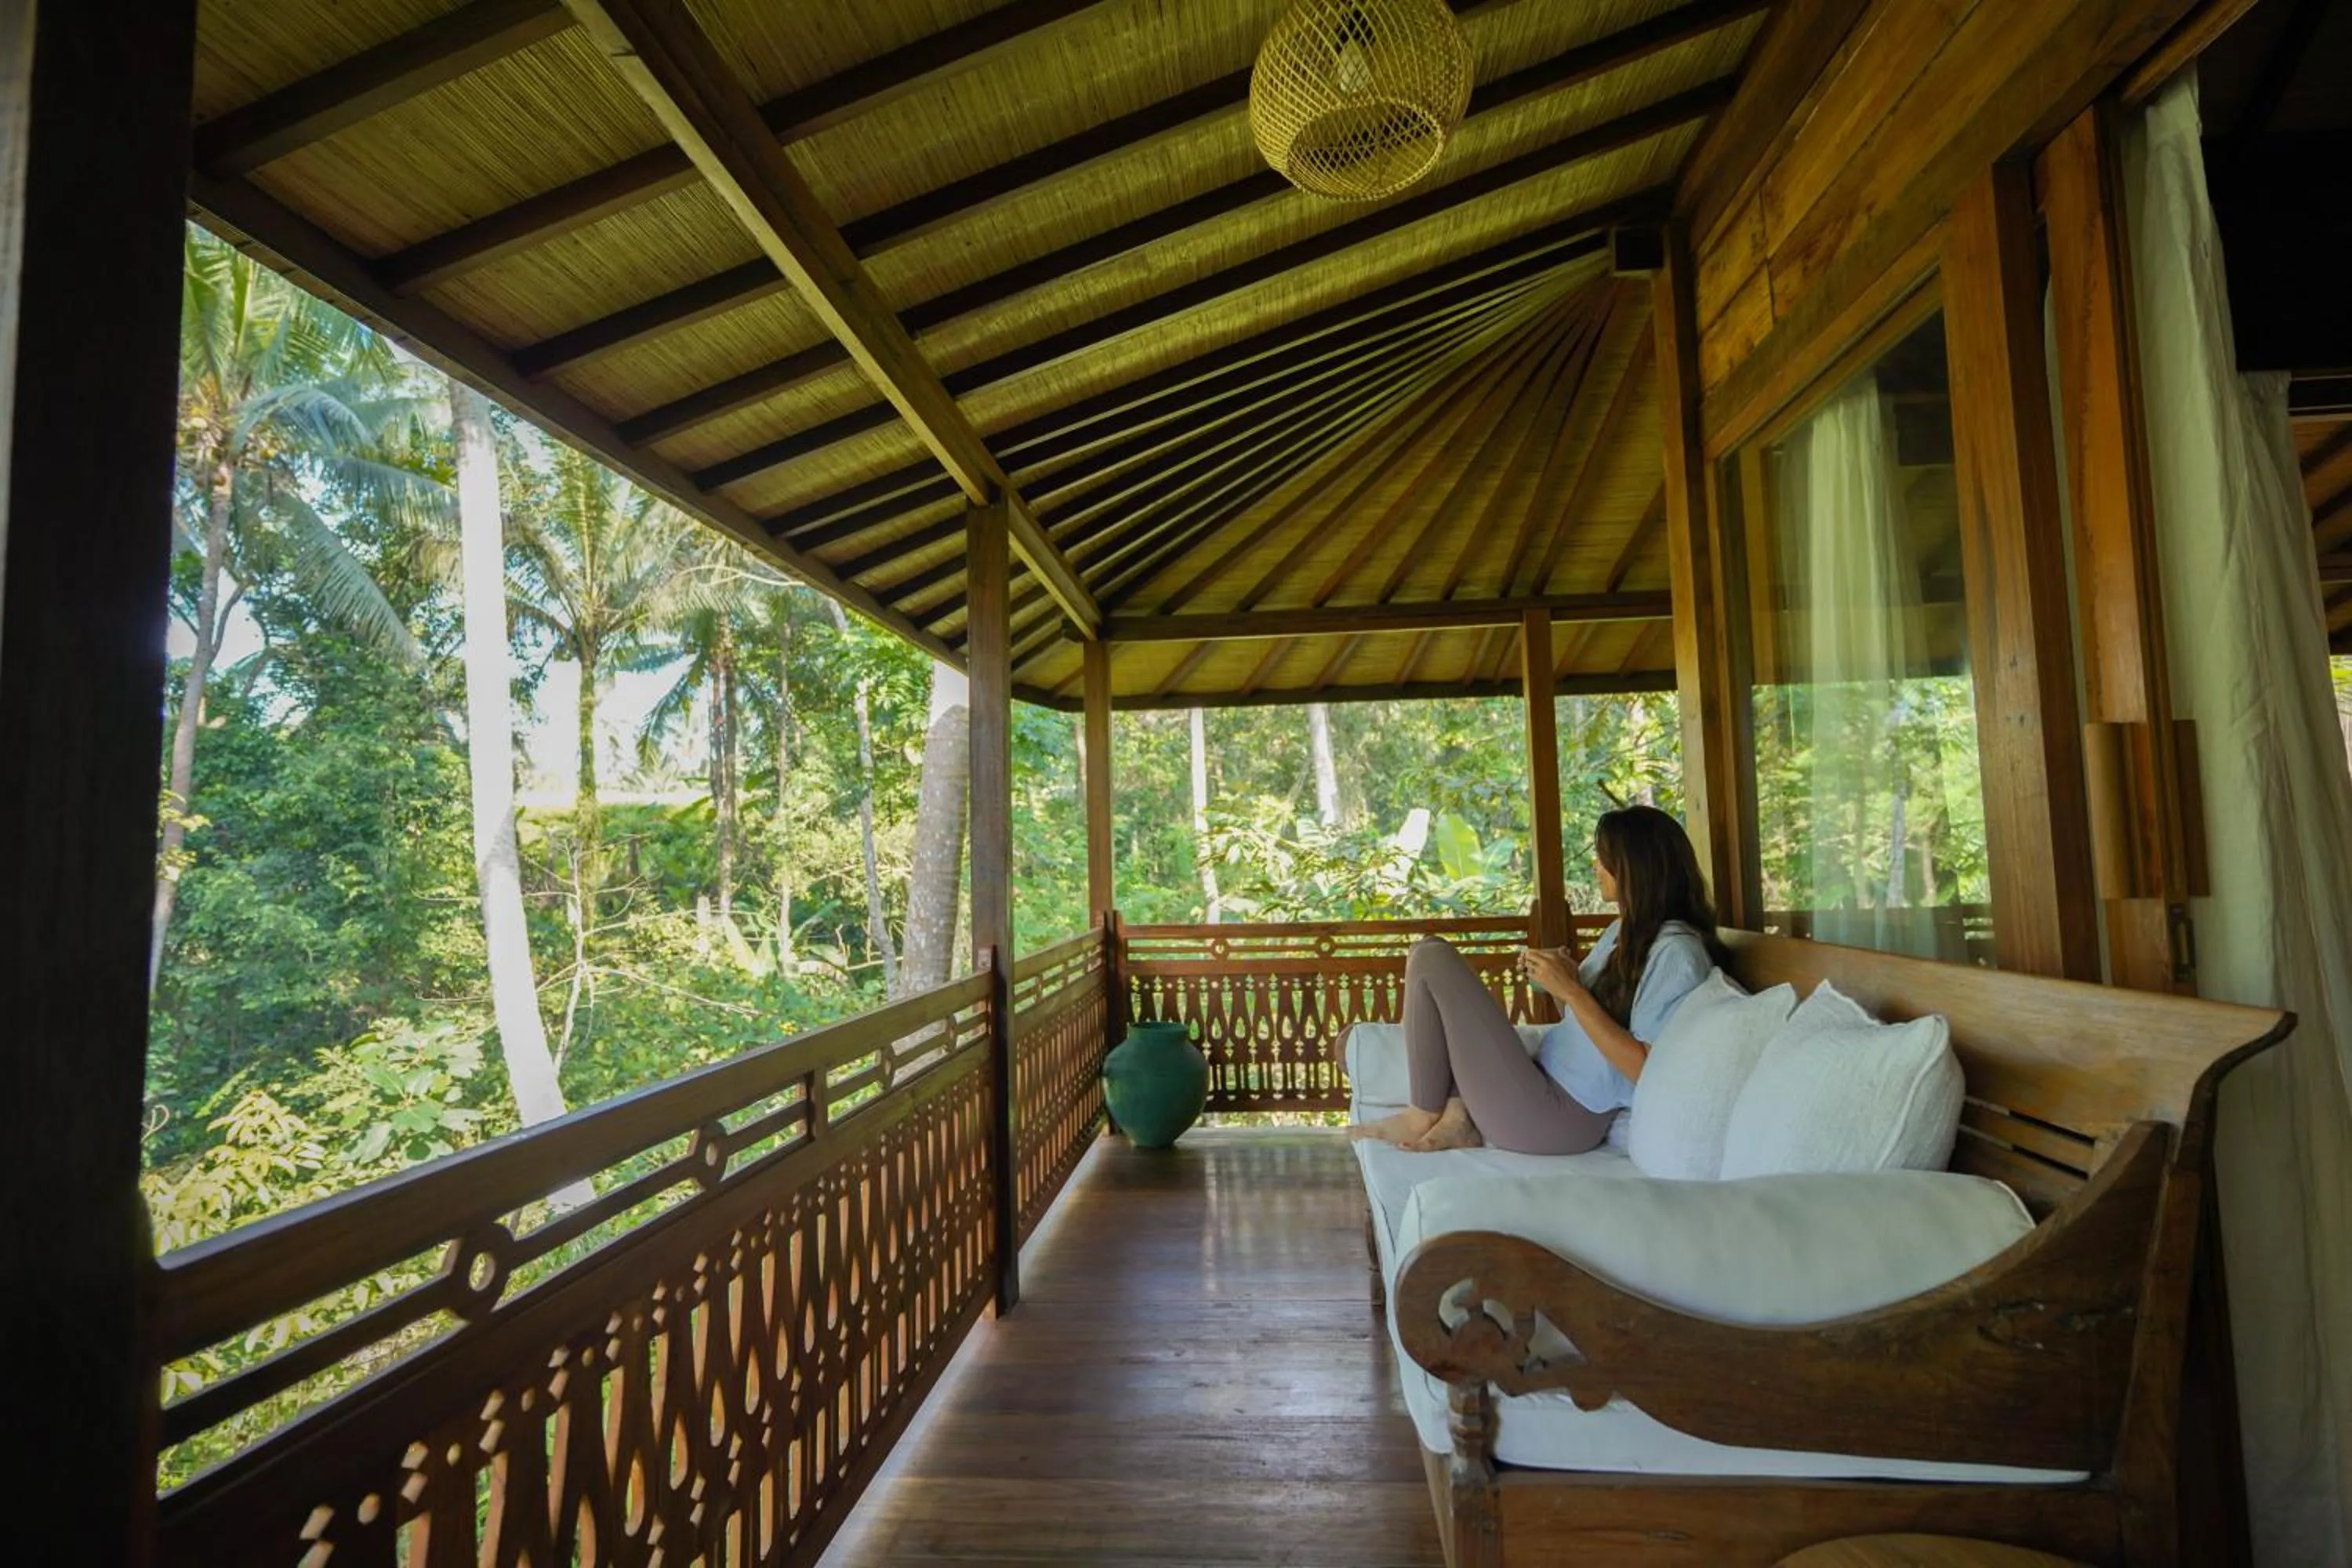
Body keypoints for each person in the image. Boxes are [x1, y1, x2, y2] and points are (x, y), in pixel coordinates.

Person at [1352, 804, 1727, 1155]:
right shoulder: (1623, 931)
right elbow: (1582, 1021)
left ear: (1636, 868)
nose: (1596, 866)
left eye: (1605, 858)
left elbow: (1646, 1070)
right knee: (1426, 955)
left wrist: (1574, 990)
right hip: (1540, 1080)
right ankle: (1457, 1117)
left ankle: (1423, 1113)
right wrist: (1558, 982)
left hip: (1559, 1116)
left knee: (1432, 956)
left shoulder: (1677, 954)